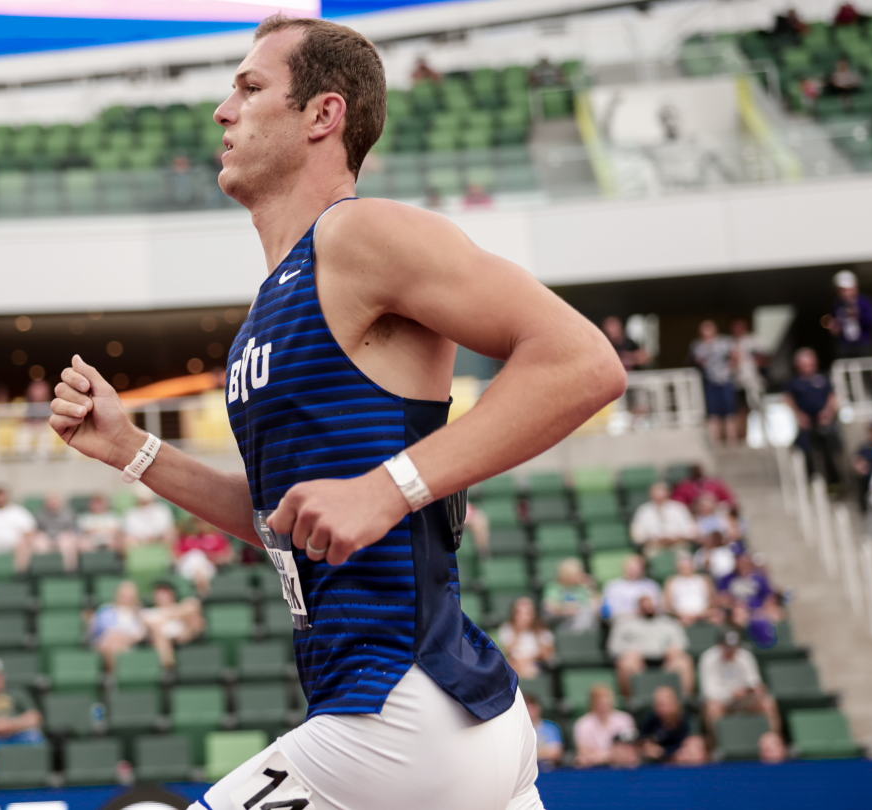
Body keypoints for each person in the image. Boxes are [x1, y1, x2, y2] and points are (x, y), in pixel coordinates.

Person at [48, 14, 627, 810]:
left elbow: (583, 362)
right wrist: (133, 451)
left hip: (400, 716)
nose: (224, 110)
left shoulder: (358, 232)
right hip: (447, 720)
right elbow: (287, 523)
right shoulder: (272, 305)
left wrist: (389, 487)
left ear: (322, 115)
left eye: (250, 88)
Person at [606, 595, 694, 698]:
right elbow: (613, 647)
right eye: (644, 606)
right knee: (625, 664)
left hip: (665, 660)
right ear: (638, 608)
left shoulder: (668, 622)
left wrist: (674, 648)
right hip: (638, 661)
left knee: (684, 662)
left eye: (651, 605)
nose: (648, 608)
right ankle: (632, 702)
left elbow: (681, 642)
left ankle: (685, 700)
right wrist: (628, 651)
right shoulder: (625, 623)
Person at [698, 631, 780, 740]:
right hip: (722, 702)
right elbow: (708, 692)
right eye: (727, 647)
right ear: (720, 645)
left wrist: (756, 690)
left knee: (768, 702)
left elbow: (754, 681)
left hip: (744, 701)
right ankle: (720, 745)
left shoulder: (745, 656)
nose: (731, 651)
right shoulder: (708, 658)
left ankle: (773, 741)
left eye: (734, 647)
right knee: (712, 707)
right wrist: (731, 693)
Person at [785, 348, 842, 485]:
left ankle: (834, 484)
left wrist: (828, 413)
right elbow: (787, 399)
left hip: (824, 423)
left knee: (831, 450)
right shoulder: (794, 382)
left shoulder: (823, 379)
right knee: (806, 452)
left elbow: (833, 397)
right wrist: (799, 415)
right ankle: (811, 483)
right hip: (806, 425)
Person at [690, 320, 738, 445]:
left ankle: (731, 440)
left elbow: (736, 355)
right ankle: (715, 441)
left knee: (729, 413)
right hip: (710, 382)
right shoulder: (698, 345)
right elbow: (696, 361)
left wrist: (732, 368)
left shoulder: (725, 342)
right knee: (713, 414)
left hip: (725, 380)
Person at [572, 684, 639, 768]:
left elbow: (630, 753)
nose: (603, 706)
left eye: (607, 702)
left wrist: (600, 756)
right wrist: (611, 756)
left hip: (621, 768)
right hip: (594, 769)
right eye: (600, 703)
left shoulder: (625, 719)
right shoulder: (583, 724)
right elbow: (584, 755)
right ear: (593, 703)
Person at [141, 581, 205, 668]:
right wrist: (174, 615)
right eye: (159, 593)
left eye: (166, 593)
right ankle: (169, 668)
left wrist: (171, 614)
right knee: (159, 634)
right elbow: (148, 624)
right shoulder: (150, 612)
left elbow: (194, 605)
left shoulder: (180, 606)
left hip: (185, 634)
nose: (162, 596)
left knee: (196, 619)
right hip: (162, 639)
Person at [636, 686, 705, 765]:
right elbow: (645, 743)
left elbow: (694, 743)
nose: (660, 709)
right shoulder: (651, 720)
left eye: (663, 705)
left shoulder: (689, 720)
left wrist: (666, 753)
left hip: (682, 760)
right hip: (659, 764)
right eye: (657, 704)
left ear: (674, 703)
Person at [89, 580, 147, 673]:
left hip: (129, 645)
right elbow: (94, 628)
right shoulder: (106, 609)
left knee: (117, 640)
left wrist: (123, 637)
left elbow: (140, 634)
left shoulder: (139, 614)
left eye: (130, 597)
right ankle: (117, 676)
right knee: (113, 640)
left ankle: (113, 676)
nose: (126, 599)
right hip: (104, 643)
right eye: (124, 596)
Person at [629, 482, 697, 555]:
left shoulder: (679, 508)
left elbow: (691, 531)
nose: (659, 497)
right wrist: (655, 540)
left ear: (668, 493)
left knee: (684, 559)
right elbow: (637, 534)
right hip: (654, 547)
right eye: (656, 493)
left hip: (678, 546)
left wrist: (675, 538)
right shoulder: (643, 510)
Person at [497, 597, 554, 678]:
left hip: (536, 664)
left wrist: (537, 635)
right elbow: (505, 651)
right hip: (513, 663)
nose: (523, 617)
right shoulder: (507, 629)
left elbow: (547, 655)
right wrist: (519, 632)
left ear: (534, 614)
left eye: (527, 613)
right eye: (519, 613)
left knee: (530, 668)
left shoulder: (543, 631)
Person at [174, 519, 236, 594]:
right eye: (198, 523)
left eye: (203, 523)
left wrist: (215, 557)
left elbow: (228, 556)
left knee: (199, 558)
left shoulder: (216, 536)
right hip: (189, 567)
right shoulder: (188, 537)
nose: (201, 525)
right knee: (196, 555)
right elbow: (176, 556)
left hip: (209, 566)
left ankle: (201, 586)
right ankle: (202, 586)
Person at [828, 269, 872, 360]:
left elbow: (871, 321)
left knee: (866, 367)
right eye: (841, 290)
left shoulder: (864, 301)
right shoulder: (838, 305)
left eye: (846, 290)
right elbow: (837, 327)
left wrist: (857, 314)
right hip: (846, 346)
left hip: (864, 344)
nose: (843, 293)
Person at [541, 557, 600, 632]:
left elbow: (596, 605)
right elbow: (549, 608)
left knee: (590, 609)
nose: (581, 575)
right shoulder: (554, 587)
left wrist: (592, 588)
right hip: (564, 622)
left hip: (585, 621)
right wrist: (565, 610)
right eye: (578, 573)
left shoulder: (582, 587)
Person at [31, 491, 84, 572]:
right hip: (46, 537)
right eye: (50, 501)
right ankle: (44, 570)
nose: (53, 503)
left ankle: (69, 571)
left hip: (63, 537)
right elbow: (37, 529)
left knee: (67, 543)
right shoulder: (40, 514)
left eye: (55, 500)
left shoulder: (69, 513)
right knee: (39, 543)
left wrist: (68, 534)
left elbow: (75, 530)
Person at [602, 555, 663, 621]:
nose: (633, 570)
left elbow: (658, 606)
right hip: (624, 619)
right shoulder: (613, 586)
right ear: (624, 567)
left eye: (637, 567)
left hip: (650, 619)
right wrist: (634, 612)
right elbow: (608, 612)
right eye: (631, 567)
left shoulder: (651, 585)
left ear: (643, 569)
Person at [663, 554, 714, 625]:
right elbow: (668, 604)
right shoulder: (672, 582)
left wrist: (701, 614)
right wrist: (680, 615)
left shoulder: (704, 579)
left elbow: (712, 599)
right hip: (680, 617)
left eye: (688, 566)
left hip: (703, 615)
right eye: (682, 567)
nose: (686, 569)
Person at [123, 484, 178, 548]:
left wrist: (155, 536)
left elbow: (167, 527)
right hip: (139, 542)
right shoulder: (131, 513)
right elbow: (130, 531)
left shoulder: (162, 509)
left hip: (160, 539)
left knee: (170, 535)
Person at [671, 464, 736, 509]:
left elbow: (728, 500)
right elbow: (677, 504)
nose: (698, 471)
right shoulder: (684, 486)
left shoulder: (714, 483)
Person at [523, 694, 561, 769]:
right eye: (526, 707)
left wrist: (530, 753)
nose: (530, 711)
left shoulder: (551, 727)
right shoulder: (518, 731)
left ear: (538, 708)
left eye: (532, 707)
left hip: (548, 768)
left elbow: (556, 753)